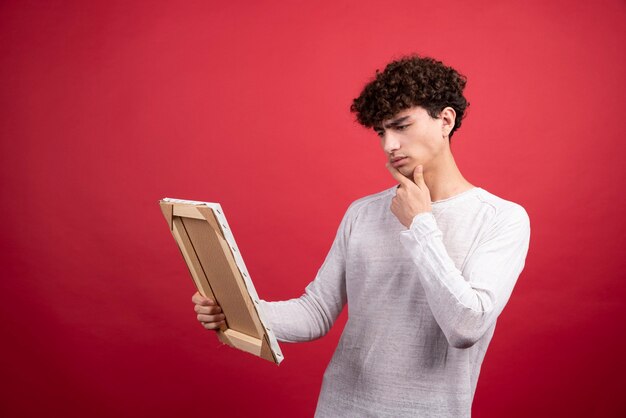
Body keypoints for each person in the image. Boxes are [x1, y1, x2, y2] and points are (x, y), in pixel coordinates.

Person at [192, 55, 531, 417]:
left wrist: (420, 225)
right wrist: (239, 309)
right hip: (341, 408)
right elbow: (316, 312)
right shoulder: (362, 213)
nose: (389, 145)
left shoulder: (501, 219)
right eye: (382, 132)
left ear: (445, 120)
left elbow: (467, 326)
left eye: (401, 126)